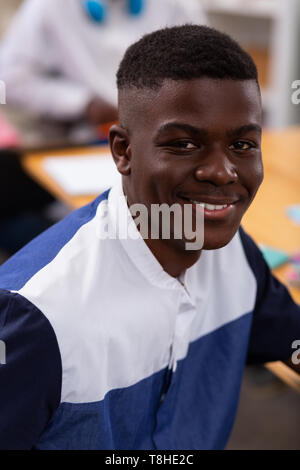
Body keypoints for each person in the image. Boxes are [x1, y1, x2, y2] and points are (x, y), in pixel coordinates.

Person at [0, 24, 299, 450]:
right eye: (182, 144)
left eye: (243, 145)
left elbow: (291, 340)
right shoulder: (36, 318)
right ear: (123, 151)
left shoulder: (234, 256)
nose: (221, 171)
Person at [0, 0, 205, 141]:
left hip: (160, 136)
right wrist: (83, 103)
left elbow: (204, 73)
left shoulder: (177, 5)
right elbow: (9, 80)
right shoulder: (50, 6)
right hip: (80, 139)